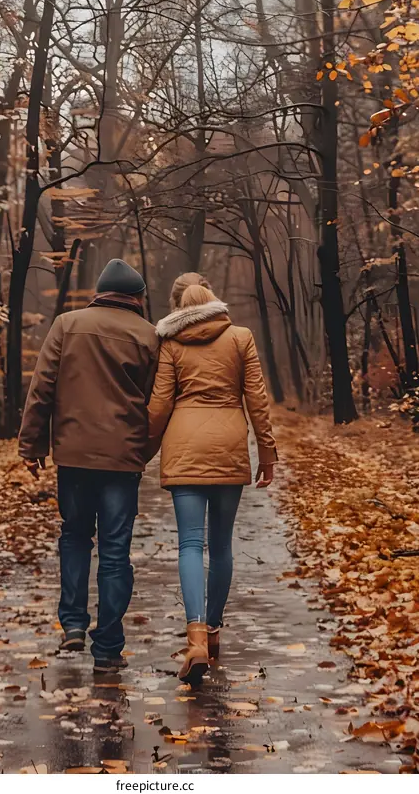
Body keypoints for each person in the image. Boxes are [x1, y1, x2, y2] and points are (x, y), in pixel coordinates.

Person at [19, 258, 159, 674]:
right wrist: (142, 452)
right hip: (122, 459)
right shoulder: (149, 336)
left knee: (76, 536)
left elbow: (42, 386)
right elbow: (156, 403)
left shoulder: (66, 324)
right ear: (136, 297)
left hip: (74, 457)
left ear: (101, 291)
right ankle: (109, 645)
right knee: (116, 550)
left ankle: (74, 626)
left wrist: (32, 444)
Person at [147, 278, 277, 685]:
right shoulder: (240, 337)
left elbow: (159, 405)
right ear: (215, 303)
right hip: (228, 444)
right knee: (220, 545)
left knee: (189, 543)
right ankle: (216, 632)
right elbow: (256, 398)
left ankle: (196, 636)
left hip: (184, 446)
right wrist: (267, 451)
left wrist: (141, 451)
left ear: (178, 308)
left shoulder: (169, 343)